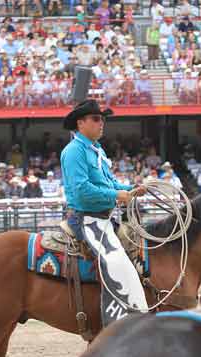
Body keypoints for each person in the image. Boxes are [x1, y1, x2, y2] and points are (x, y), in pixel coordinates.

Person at [60, 99, 149, 324]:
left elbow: (109, 184)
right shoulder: (74, 152)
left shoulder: (95, 149)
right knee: (117, 261)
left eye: (103, 119)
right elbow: (82, 191)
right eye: (97, 119)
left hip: (101, 219)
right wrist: (117, 196)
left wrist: (131, 190)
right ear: (81, 123)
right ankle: (117, 319)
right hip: (84, 219)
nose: (102, 123)